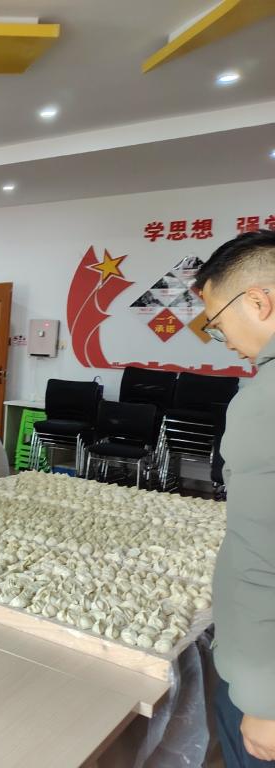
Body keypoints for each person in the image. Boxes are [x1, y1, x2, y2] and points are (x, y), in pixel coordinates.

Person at [195, 230, 275, 766]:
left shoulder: (266, 400)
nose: (221, 338)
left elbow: (261, 553)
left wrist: (265, 698)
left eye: (217, 322)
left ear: (258, 301)